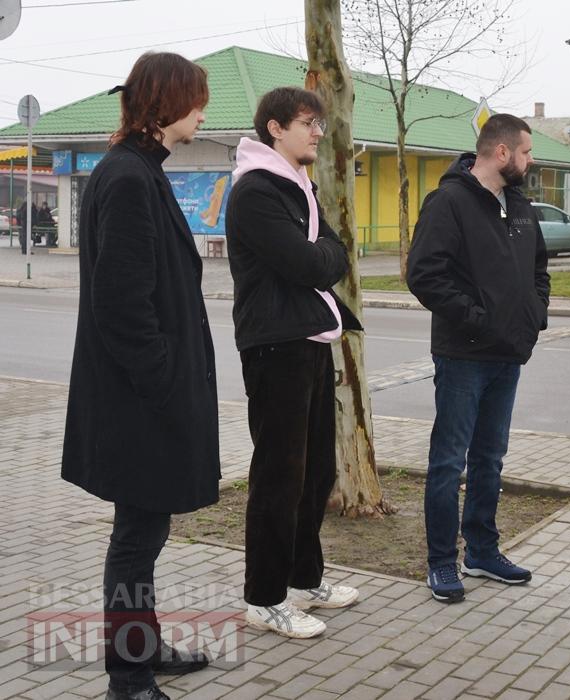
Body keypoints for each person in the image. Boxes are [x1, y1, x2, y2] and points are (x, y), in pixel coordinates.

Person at [61, 52, 218, 700]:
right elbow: (122, 306)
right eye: (197, 100)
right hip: (138, 404)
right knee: (136, 539)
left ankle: (143, 647)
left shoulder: (136, 171)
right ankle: (128, 678)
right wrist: (163, 385)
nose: (203, 113)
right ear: (169, 103)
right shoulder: (127, 179)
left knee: (144, 533)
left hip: (142, 399)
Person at [226, 87, 363, 638]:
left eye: (321, 124)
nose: (317, 132)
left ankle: (305, 580)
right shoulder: (256, 191)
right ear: (275, 128)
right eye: (309, 122)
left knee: (316, 473)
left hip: (308, 339)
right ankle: (263, 597)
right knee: (279, 476)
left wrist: (324, 258)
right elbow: (311, 261)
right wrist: (324, 258)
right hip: (275, 343)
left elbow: (335, 251)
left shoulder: (298, 185)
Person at [407, 113, 550, 603]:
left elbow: (538, 269)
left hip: (507, 355)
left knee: (490, 458)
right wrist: (477, 319)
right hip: (463, 356)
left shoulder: (520, 205)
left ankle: (483, 551)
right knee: (449, 461)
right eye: (527, 152)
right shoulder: (448, 202)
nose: (531, 161)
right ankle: (443, 562)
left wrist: (534, 316)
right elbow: (425, 275)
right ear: (503, 152)